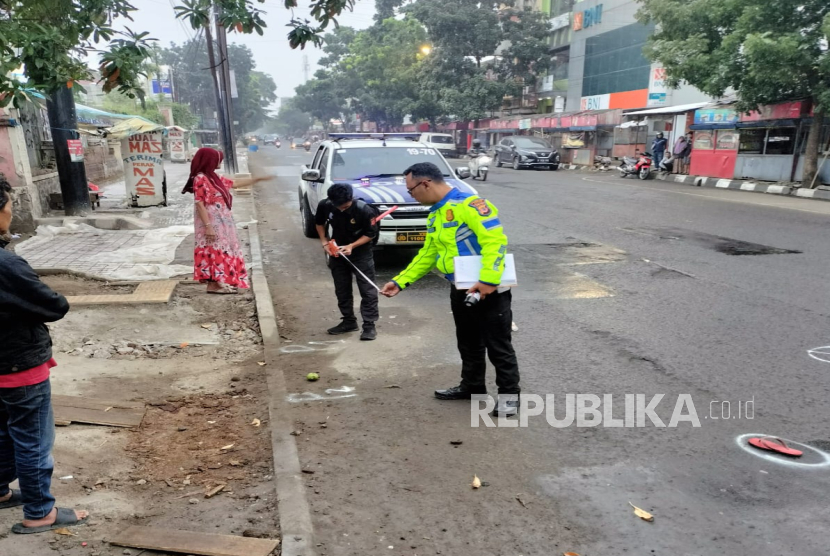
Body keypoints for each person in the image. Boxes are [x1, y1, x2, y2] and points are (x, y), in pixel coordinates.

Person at [380, 163, 520, 416]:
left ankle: (510, 397)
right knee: (468, 342)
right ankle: (472, 387)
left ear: (425, 184)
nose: (411, 195)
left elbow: (495, 241)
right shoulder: (436, 214)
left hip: (487, 290)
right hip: (460, 287)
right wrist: (401, 281)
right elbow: (429, 253)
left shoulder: (471, 205)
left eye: (411, 190)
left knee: (498, 346)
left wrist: (488, 280)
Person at [0, 177, 90, 534]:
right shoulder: (7, 266)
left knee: (3, 433)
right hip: (18, 366)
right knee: (33, 441)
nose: (10, 211)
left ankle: (2, 491)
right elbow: (54, 305)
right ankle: (39, 513)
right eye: (7, 205)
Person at [316, 183, 379, 341]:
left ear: (351, 199)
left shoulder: (364, 209)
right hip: (337, 252)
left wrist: (352, 246)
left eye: (345, 206)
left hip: (361, 252)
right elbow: (319, 223)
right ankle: (348, 321)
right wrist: (325, 242)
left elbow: (370, 234)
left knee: (367, 290)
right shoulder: (326, 205)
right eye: (338, 206)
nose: (341, 209)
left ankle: (369, 325)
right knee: (341, 288)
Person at [182, 147, 249, 294]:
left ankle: (218, 282)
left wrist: (259, 179)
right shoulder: (200, 178)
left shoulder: (213, 177)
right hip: (210, 222)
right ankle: (212, 285)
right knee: (212, 250)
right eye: (217, 159)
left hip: (221, 222)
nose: (220, 162)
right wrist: (208, 226)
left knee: (219, 250)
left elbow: (234, 184)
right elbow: (199, 203)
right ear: (209, 160)